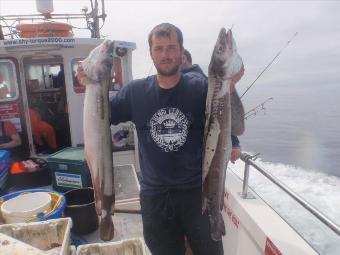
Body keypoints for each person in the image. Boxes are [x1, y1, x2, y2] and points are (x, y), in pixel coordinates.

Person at [78, 23, 244, 255]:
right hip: (154, 196)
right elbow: (99, 120)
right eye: (159, 49)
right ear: (151, 53)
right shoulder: (134, 92)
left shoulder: (201, 88)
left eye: (171, 48)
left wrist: (231, 87)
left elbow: (236, 126)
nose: (165, 55)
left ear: (181, 51)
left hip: (197, 193)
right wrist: (90, 85)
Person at [181, 49, 242, 164]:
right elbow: (222, 114)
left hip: (194, 156)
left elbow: (220, 112)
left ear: (183, 58)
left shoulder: (194, 83)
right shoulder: (205, 81)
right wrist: (234, 143)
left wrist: (234, 142)